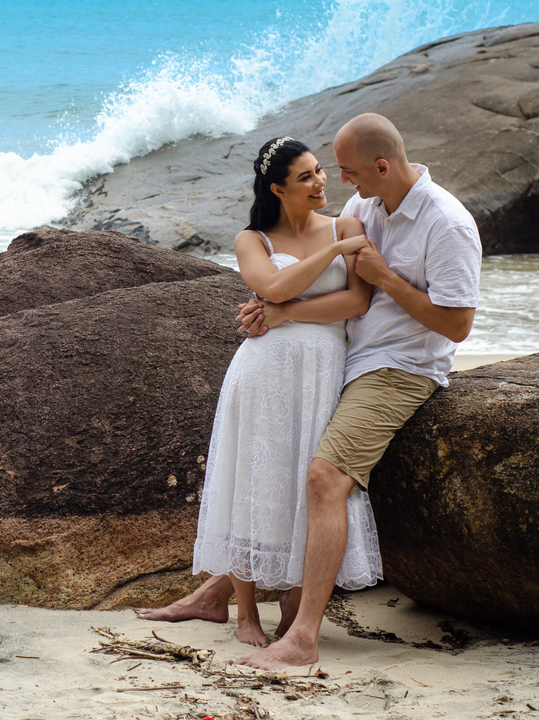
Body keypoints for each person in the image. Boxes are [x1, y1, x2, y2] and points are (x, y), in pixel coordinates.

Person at [229, 113, 482, 668]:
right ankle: (223, 595)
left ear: (382, 165)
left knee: (323, 479)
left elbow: (458, 326)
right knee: (277, 468)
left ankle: (303, 638)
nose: (338, 181)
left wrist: (387, 276)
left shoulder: (448, 224)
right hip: (342, 359)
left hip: (397, 367)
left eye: (346, 170)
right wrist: (272, 309)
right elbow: (305, 273)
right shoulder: (364, 208)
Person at [142, 135, 376, 648]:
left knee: (306, 484)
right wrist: (333, 255)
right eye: (306, 177)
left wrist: (286, 312)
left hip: (322, 370)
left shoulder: (346, 224)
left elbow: (356, 302)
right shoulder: (253, 240)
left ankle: (293, 600)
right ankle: (244, 615)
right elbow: (271, 287)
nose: (320, 182)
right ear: (278, 189)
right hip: (263, 372)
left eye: (319, 171)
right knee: (248, 482)